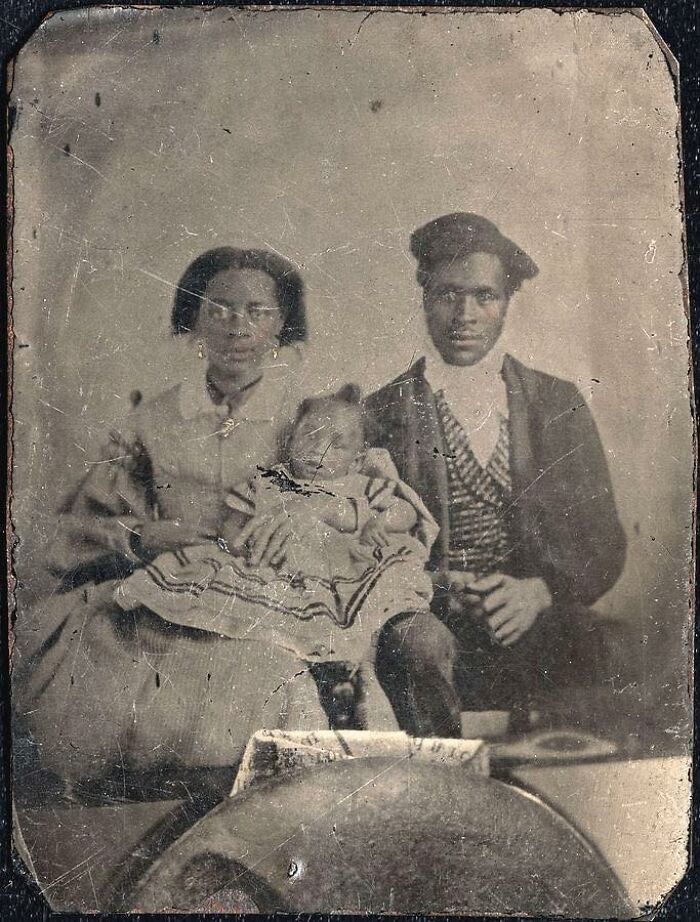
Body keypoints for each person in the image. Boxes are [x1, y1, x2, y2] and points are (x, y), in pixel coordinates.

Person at [15, 247, 332, 796]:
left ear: (282, 325)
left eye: (257, 312)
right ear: (194, 320)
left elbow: (350, 502)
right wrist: (140, 537)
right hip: (163, 588)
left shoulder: (306, 417)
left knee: (255, 674)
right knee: (105, 667)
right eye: (219, 309)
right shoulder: (154, 417)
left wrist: (304, 518)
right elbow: (84, 522)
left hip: (263, 595)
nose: (237, 326)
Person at [365, 212, 627, 738]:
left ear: (507, 302)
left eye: (484, 296)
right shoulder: (382, 411)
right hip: (429, 616)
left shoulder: (556, 403)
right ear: (424, 296)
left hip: (529, 613)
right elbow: (358, 547)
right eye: (447, 294)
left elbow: (604, 541)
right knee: (415, 650)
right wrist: (432, 585)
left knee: (599, 650)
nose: (464, 314)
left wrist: (540, 592)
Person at [114, 384, 439, 731]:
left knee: (359, 629)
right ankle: (308, 701)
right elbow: (232, 529)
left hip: (343, 579)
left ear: (357, 459)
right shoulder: (268, 481)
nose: (319, 448)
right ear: (290, 441)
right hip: (278, 580)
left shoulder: (360, 485)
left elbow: (404, 511)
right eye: (309, 436)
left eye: (337, 444)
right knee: (272, 641)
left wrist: (375, 520)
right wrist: (242, 542)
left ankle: (361, 686)